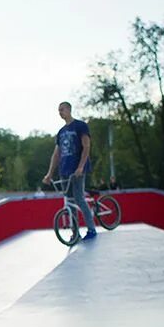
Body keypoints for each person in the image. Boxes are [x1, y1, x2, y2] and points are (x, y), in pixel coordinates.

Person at [43, 101, 96, 240]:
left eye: (62, 109)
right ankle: (75, 232)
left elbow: (86, 146)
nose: (60, 112)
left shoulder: (80, 126)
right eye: (58, 110)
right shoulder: (61, 132)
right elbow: (56, 154)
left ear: (69, 109)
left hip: (77, 169)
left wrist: (81, 166)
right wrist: (49, 173)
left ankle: (91, 229)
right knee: (69, 201)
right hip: (64, 170)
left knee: (78, 198)